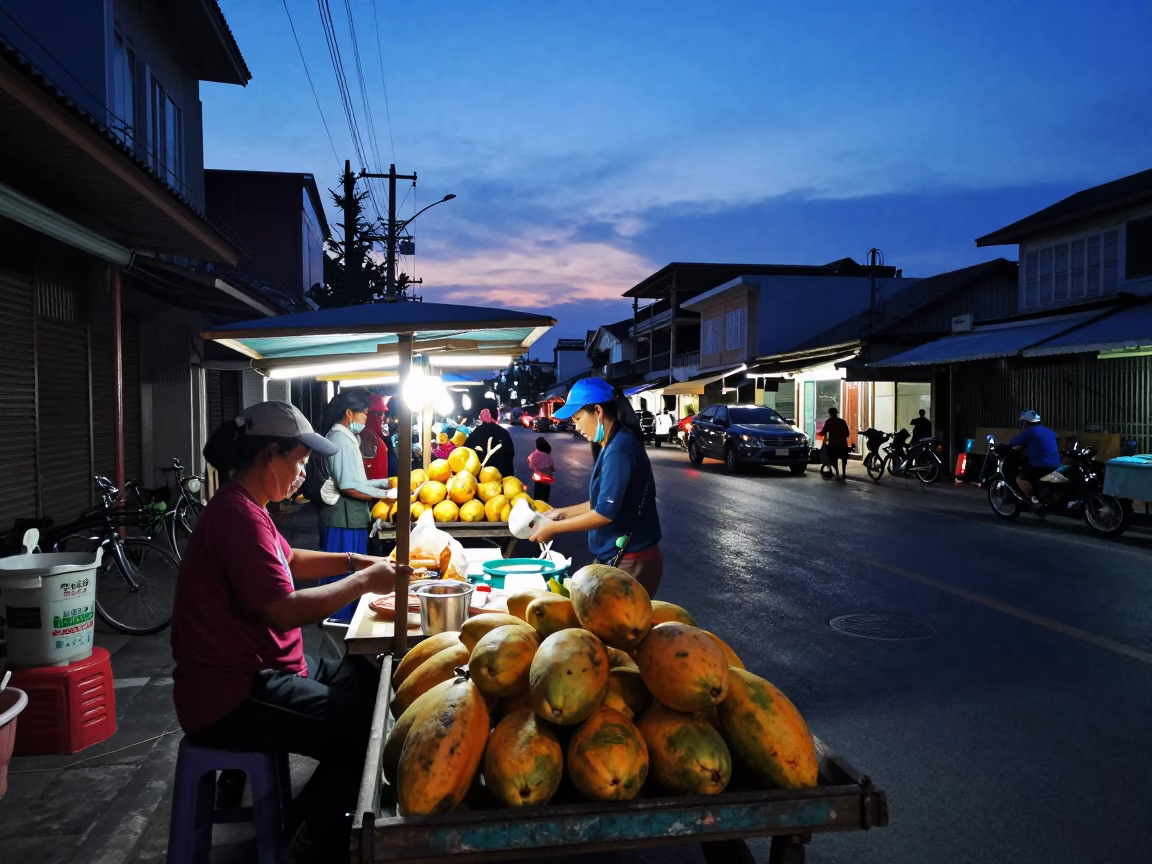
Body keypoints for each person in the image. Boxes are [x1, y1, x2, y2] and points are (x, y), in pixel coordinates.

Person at [170, 401, 408, 861]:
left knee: (370, 679)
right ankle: (308, 836)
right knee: (366, 731)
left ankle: (310, 821)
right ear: (269, 456)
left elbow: (292, 560)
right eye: (298, 463)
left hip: (270, 667)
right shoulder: (236, 519)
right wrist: (362, 582)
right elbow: (281, 611)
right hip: (230, 694)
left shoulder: (248, 508)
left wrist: (364, 561)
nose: (302, 475)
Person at [529, 377, 663, 597]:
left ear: (598, 411)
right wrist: (560, 514)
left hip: (631, 560)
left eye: (578, 418)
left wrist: (553, 528)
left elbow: (604, 513)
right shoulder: (611, 445)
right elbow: (604, 501)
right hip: (619, 557)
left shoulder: (619, 449)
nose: (576, 426)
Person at [320, 390, 400, 619]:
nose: (366, 418)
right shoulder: (340, 438)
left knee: (352, 579)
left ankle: (347, 633)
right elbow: (349, 486)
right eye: (364, 413)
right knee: (342, 580)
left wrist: (384, 483)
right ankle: (337, 642)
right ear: (349, 413)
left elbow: (356, 480)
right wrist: (386, 495)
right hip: (342, 520)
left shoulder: (346, 436)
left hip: (352, 519)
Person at [1010, 409, 1061, 503]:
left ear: (1026, 422)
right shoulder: (1050, 431)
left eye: (1023, 422)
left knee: (1020, 479)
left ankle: (1034, 500)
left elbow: (1013, 443)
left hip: (1040, 465)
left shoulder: (1029, 432)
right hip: (1056, 464)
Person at [463, 400, 515, 478]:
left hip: (478, 480)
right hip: (501, 479)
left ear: (481, 417)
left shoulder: (475, 433)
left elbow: (465, 452)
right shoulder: (504, 433)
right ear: (497, 416)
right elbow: (510, 456)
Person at [361, 393, 397, 481]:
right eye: (380, 414)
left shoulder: (376, 436)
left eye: (383, 414)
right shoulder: (367, 438)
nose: (382, 418)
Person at [818, 406, 851, 482]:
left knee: (833, 460)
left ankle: (837, 474)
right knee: (844, 460)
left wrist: (819, 433)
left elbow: (823, 433)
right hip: (843, 444)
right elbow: (848, 434)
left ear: (829, 414)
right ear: (836, 413)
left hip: (833, 445)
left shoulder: (829, 422)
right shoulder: (842, 421)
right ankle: (844, 475)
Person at [528, 436, 555, 502]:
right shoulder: (548, 453)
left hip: (539, 476)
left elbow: (531, 464)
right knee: (546, 493)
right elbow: (551, 464)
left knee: (538, 493)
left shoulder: (535, 454)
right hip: (548, 476)